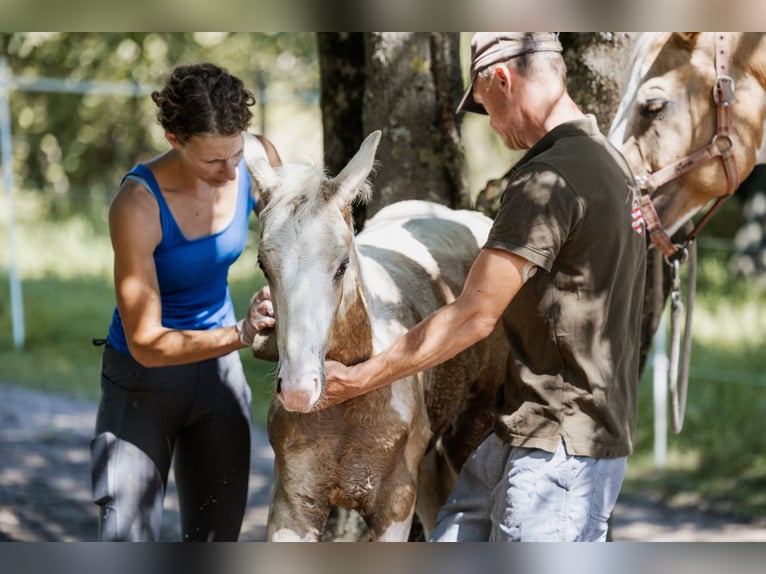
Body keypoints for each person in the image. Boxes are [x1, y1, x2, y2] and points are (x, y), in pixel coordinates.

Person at [323, 33, 647, 542]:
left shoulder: (548, 181)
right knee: (450, 534)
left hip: (557, 450)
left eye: (485, 107)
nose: (491, 125)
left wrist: (361, 378)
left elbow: (474, 315)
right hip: (529, 429)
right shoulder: (609, 163)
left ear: (502, 79)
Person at [90, 62, 279, 542]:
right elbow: (148, 343)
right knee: (126, 541)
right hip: (143, 381)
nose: (231, 171)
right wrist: (239, 333)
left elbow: (295, 242)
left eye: (235, 153)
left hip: (217, 378)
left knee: (216, 539)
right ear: (174, 138)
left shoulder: (253, 160)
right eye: (213, 161)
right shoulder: (138, 204)